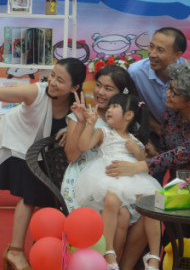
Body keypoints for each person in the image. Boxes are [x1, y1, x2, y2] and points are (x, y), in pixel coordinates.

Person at [0, 57, 86, 270]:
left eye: (60, 80)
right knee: (30, 195)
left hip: (44, 152)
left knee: (51, 198)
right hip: (18, 142)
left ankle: (43, 246)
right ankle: (15, 251)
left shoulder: (79, 105)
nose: (53, 82)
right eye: (53, 76)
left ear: (75, 87)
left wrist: (72, 128)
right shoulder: (36, 91)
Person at [106, 59, 190, 246]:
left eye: (174, 93)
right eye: (169, 88)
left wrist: (137, 167)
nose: (168, 94)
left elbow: (180, 154)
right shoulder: (171, 115)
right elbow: (167, 152)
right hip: (178, 188)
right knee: (174, 238)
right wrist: (152, 153)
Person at [61, 65, 147, 267]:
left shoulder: (127, 119)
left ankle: (124, 266)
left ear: (121, 93)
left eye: (108, 88)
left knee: (148, 211)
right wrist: (81, 123)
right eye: (98, 85)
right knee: (122, 213)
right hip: (86, 177)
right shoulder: (82, 115)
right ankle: (108, 264)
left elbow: (140, 152)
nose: (100, 92)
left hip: (120, 175)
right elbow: (72, 155)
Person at [75, 94, 162, 270]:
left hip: (134, 179)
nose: (109, 110)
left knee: (153, 203)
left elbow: (143, 163)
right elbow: (83, 146)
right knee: (112, 199)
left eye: (114, 107)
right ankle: (109, 251)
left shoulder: (134, 139)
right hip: (109, 176)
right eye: (109, 106)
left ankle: (154, 256)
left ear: (128, 115)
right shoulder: (104, 132)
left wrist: (136, 150)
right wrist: (90, 124)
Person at [128, 27, 187, 182]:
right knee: (148, 183)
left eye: (160, 50)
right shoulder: (136, 72)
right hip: (154, 131)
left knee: (184, 183)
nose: (152, 54)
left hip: (186, 136)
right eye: (151, 46)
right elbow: (137, 107)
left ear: (177, 55)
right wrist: (158, 132)